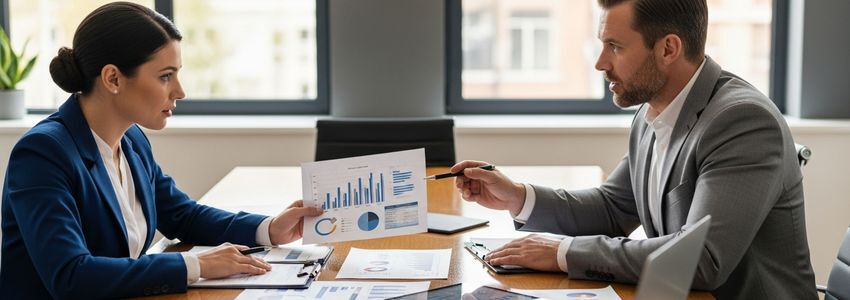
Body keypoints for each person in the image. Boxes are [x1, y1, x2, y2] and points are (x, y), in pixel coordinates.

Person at [452, 0, 817, 299]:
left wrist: (562, 253)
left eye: (615, 46)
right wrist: (517, 197)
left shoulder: (741, 121)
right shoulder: (652, 112)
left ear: (668, 49)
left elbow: (701, 259)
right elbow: (613, 208)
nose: (601, 63)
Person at [0, 2, 322, 298]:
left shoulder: (131, 139)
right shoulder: (43, 153)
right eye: (166, 76)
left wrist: (269, 229)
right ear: (113, 78)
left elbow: (183, 216)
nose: (180, 91)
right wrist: (197, 266)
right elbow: (70, 275)